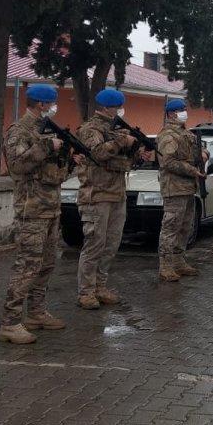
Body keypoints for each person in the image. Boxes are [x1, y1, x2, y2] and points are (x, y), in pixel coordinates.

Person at [0, 84, 71, 344]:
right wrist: (47, 147)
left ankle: (36, 313)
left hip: (50, 208)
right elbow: (17, 166)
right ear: (41, 104)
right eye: (52, 103)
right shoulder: (20, 131)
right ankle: (10, 323)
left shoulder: (46, 129)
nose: (54, 107)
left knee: (46, 264)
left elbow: (54, 173)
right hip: (32, 210)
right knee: (27, 266)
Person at [75, 88, 149, 309]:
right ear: (107, 108)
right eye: (117, 107)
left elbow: (125, 161)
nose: (120, 111)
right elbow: (97, 153)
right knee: (94, 244)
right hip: (96, 195)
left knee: (111, 244)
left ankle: (100, 286)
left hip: (117, 193)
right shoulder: (90, 129)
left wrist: (138, 153)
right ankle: (86, 291)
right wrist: (122, 142)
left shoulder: (117, 129)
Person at [155, 99, 204, 282]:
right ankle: (165, 265)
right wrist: (192, 170)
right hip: (174, 188)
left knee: (185, 227)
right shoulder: (168, 135)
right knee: (171, 228)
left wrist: (203, 154)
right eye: (180, 110)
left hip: (188, 188)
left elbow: (192, 154)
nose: (184, 112)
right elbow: (168, 162)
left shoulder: (186, 133)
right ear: (171, 114)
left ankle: (178, 261)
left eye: (184, 109)